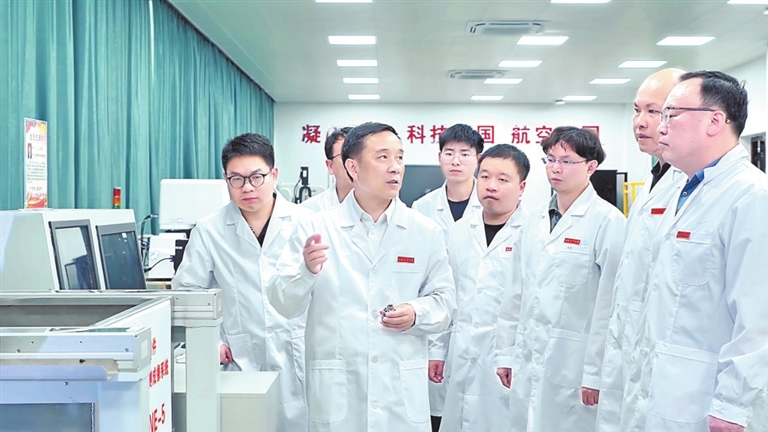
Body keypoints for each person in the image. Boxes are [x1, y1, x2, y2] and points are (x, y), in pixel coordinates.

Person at [267, 122, 457, 432]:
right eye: (382, 157)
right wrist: (305, 272)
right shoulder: (315, 227)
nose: (395, 167)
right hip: (339, 391)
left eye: (399, 157)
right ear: (352, 167)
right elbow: (283, 303)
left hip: (399, 395)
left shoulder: (425, 231)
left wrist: (416, 312)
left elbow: (446, 302)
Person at [623, 70, 768, 432]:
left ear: (714, 121)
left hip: (713, 403)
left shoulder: (752, 197)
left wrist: (733, 405)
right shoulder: (683, 191)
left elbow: (758, 317)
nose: (660, 127)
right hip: (666, 390)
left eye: (670, 114)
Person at [171, 133, 312, 431]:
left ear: (274, 174)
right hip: (239, 358)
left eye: (256, 177)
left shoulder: (307, 223)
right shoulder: (210, 230)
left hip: (299, 357)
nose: (247, 187)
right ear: (226, 179)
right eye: (236, 179)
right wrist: (212, 342)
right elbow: (187, 293)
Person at [496, 126, 626, 432]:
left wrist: (596, 373)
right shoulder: (533, 221)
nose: (555, 168)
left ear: (590, 167)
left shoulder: (608, 222)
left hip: (576, 363)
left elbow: (611, 305)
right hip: (529, 356)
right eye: (550, 159)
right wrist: (506, 353)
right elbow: (515, 292)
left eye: (566, 161)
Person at [595, 68, 687, 431]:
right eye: (637, 110)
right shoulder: (653, 181)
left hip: (669, 360)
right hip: (634, 348)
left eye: (655, 111)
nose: (641, 122)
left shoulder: (691, 185)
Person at [437, 144, 529, 432]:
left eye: (503, 179)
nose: (491, 186)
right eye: (485, 176)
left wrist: (510, 355)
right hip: (461, 351)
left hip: (507, 357)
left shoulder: (532, 232)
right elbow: (445, 294)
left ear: (522, 187)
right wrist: (436, 350)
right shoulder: (460, 231)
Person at [412, 123, 483, 430]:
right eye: (449, 153)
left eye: (465, 154)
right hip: (434, 324)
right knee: (435, 413)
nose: (456, 161)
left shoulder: (492, 205)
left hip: (478, 325)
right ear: (439, 157)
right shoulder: (421, 208)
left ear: (477, 159)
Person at [302, 126, 354, 211]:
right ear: (330, 166)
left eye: (360, 156)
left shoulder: (378, 204)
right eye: (345, 156)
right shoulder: (310, 211)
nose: (354, 163)